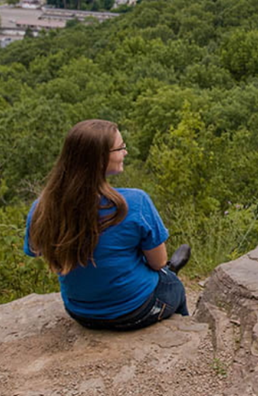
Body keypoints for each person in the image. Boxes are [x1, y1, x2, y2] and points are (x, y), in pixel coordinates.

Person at [24, 119, 191, 331]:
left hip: (81, 313)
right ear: (100, 159)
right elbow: (157, 262)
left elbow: (35, 251)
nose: (126, 152)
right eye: (120, 148)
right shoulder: (136, 202)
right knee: (172, 284)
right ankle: (186, 327)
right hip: (135, 310)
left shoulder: (42, 208)